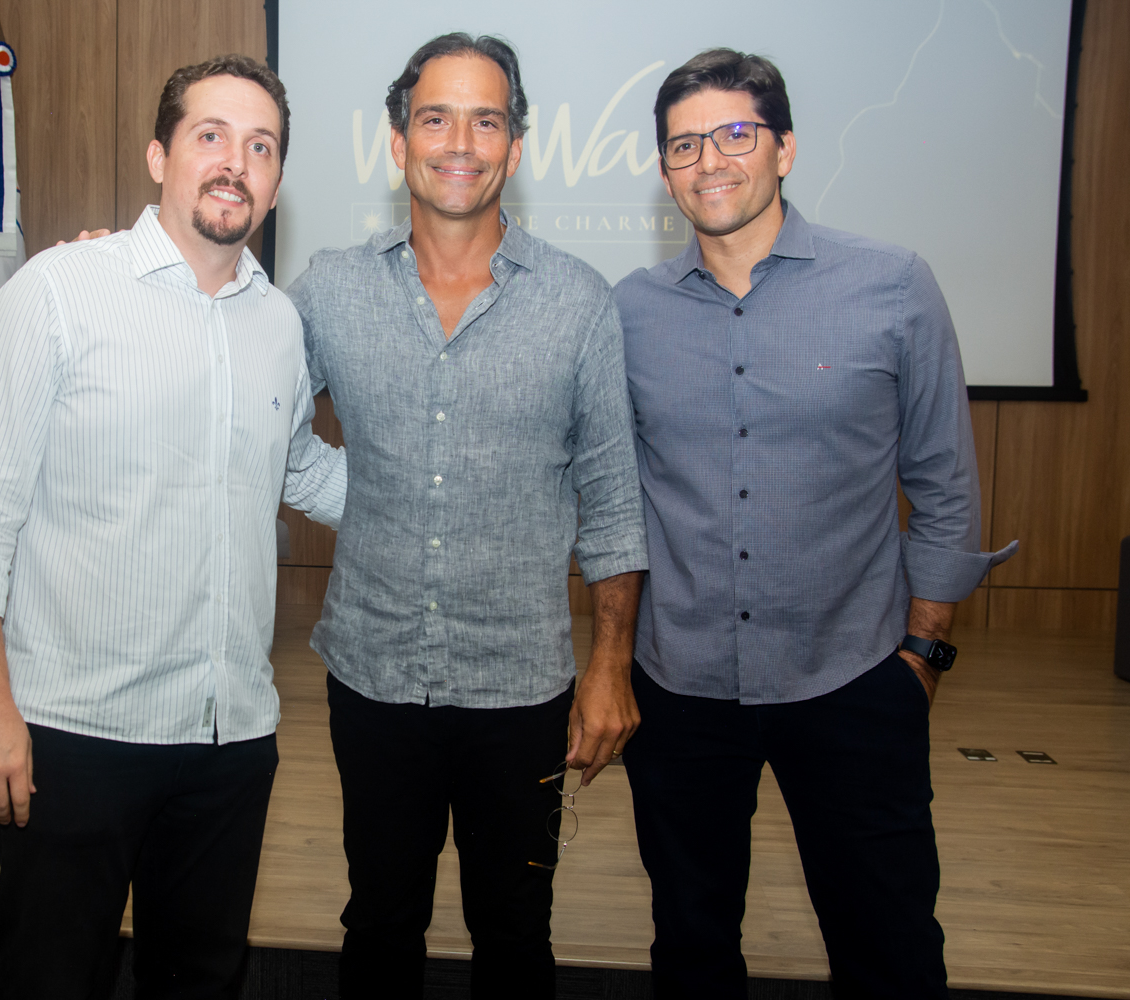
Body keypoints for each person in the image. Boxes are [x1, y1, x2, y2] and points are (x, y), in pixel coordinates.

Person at [0, 55, 345, 999]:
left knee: (201, 983)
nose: (235, 163)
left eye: (261, 147)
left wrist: (452, 495)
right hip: (73, 738)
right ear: (159, 157)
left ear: (277, 180)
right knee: (52, 982)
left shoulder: (278, 324)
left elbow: (300, 470)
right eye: (211, 136)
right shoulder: (58, 291)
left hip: (230, 739)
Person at [613, 49, 1017, 999]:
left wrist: (923, 655)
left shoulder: (892, 284)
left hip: (854, 677)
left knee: (889, 949)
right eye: (684, 145)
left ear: (785, 148)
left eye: (735, 134)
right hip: (681, 688)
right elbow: (613, 498)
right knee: (691, 949)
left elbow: (945, 481)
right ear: (665, 171)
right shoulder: (629, 313)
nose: (710, 160)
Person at [285, 33, 649, 1000]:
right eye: (435, 118)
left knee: (516, 933)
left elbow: (614, 500)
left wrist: (610, 667)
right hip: (372, 677)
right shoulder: (328, 290)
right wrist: (127, 263)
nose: (459, 142)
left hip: (521, 691)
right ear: (398, 141)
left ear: (515, 148)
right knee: (379, 923)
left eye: (485, 121)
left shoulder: (578, 303)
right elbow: (249, 400)